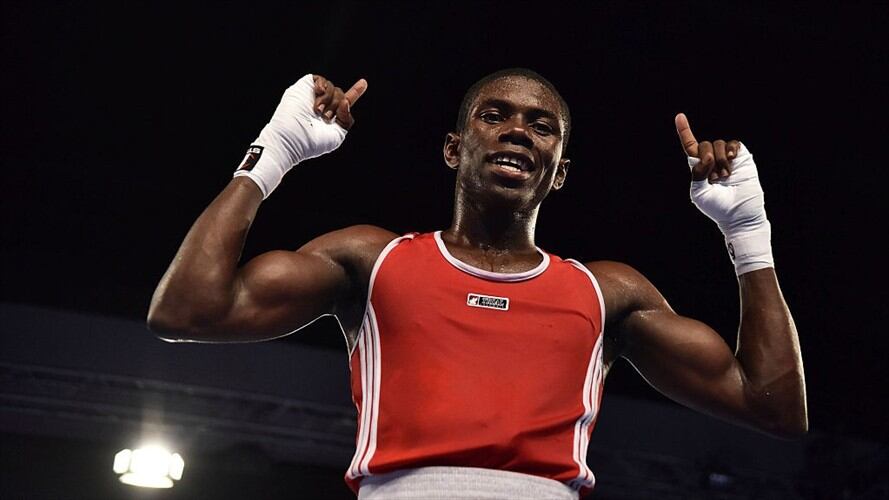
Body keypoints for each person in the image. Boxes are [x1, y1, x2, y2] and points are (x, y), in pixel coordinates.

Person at [147, 69, 807, 499]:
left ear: (560, 173)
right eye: (494, 115)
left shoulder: (606, 293)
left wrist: (747, 233)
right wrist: (275, 151)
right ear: (453, 148)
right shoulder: (369, 259)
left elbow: (774, 409)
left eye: (540, 124)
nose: (518, 129)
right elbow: (185, 311)